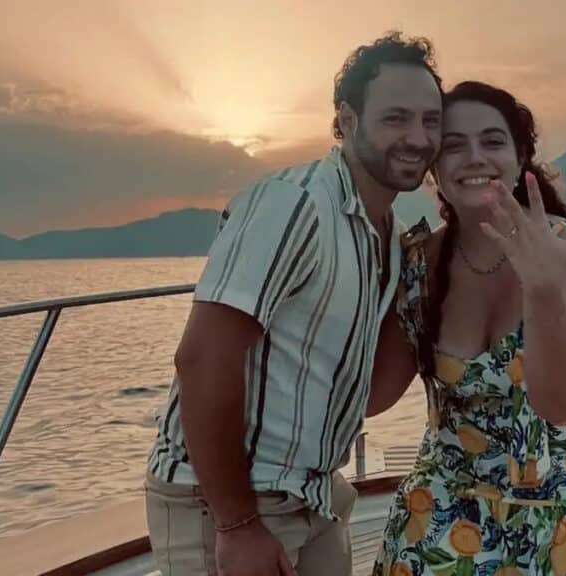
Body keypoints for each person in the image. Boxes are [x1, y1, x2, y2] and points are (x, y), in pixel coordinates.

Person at [144, 31, 443, 576]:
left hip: (315, 495)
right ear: (347, 119)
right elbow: (202, 359)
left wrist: (441, 268)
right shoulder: (295, 205)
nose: (418, 137)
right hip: (227, 502)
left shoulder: (390, 238)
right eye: (396, 118)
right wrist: (237, 523)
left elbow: (370, 396)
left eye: (431, 120)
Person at [367, 81, 566, 576]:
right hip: (452, 497)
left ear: (520, 156)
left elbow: (560, 405)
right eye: (454, 146)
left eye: (493, 141)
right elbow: (375, 396)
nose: (474, 157)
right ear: (434, 168)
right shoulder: (418, 264)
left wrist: (543, 290)